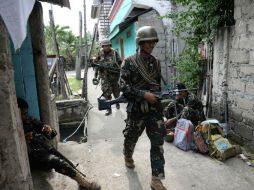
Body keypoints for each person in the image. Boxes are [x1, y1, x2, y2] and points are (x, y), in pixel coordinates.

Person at [119, 26, 167, 190]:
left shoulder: (156, 63)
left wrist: (158, 98)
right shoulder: (129, 62)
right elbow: (123, 87)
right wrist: (143, 95)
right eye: (148, 42)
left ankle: (156, 179)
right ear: (140, 42)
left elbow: (157, 87)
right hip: (136, 111)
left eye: (153, 41)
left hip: (154, 111)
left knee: (158, 143)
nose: (151, 45)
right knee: (131, 138)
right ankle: (128, 155)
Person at [17, 97, 100, 190]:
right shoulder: (14, 131)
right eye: (22, 114)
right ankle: (84, 183)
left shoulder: (29, 120)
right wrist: (23, 139)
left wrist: (48, 129)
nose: (25, 116)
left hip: (44, 149)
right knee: (56, 161)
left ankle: (81, 178)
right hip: (35, 158)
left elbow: (52, 134)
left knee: (63, 159)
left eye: (26, 113)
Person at [93, 39, 122, 116]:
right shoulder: (100, 52)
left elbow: (120, 62)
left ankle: (117, 103)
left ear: (110, 46)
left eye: (108, 45)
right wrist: (95, 66)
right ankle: (108, 109)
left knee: (116, 92)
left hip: (114, 76)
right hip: (104, 77)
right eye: (104, 46)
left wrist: (114, 67)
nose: (106, 47)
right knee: (106, 92)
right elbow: (96, 63)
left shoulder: (115, 53)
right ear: (102, 46)